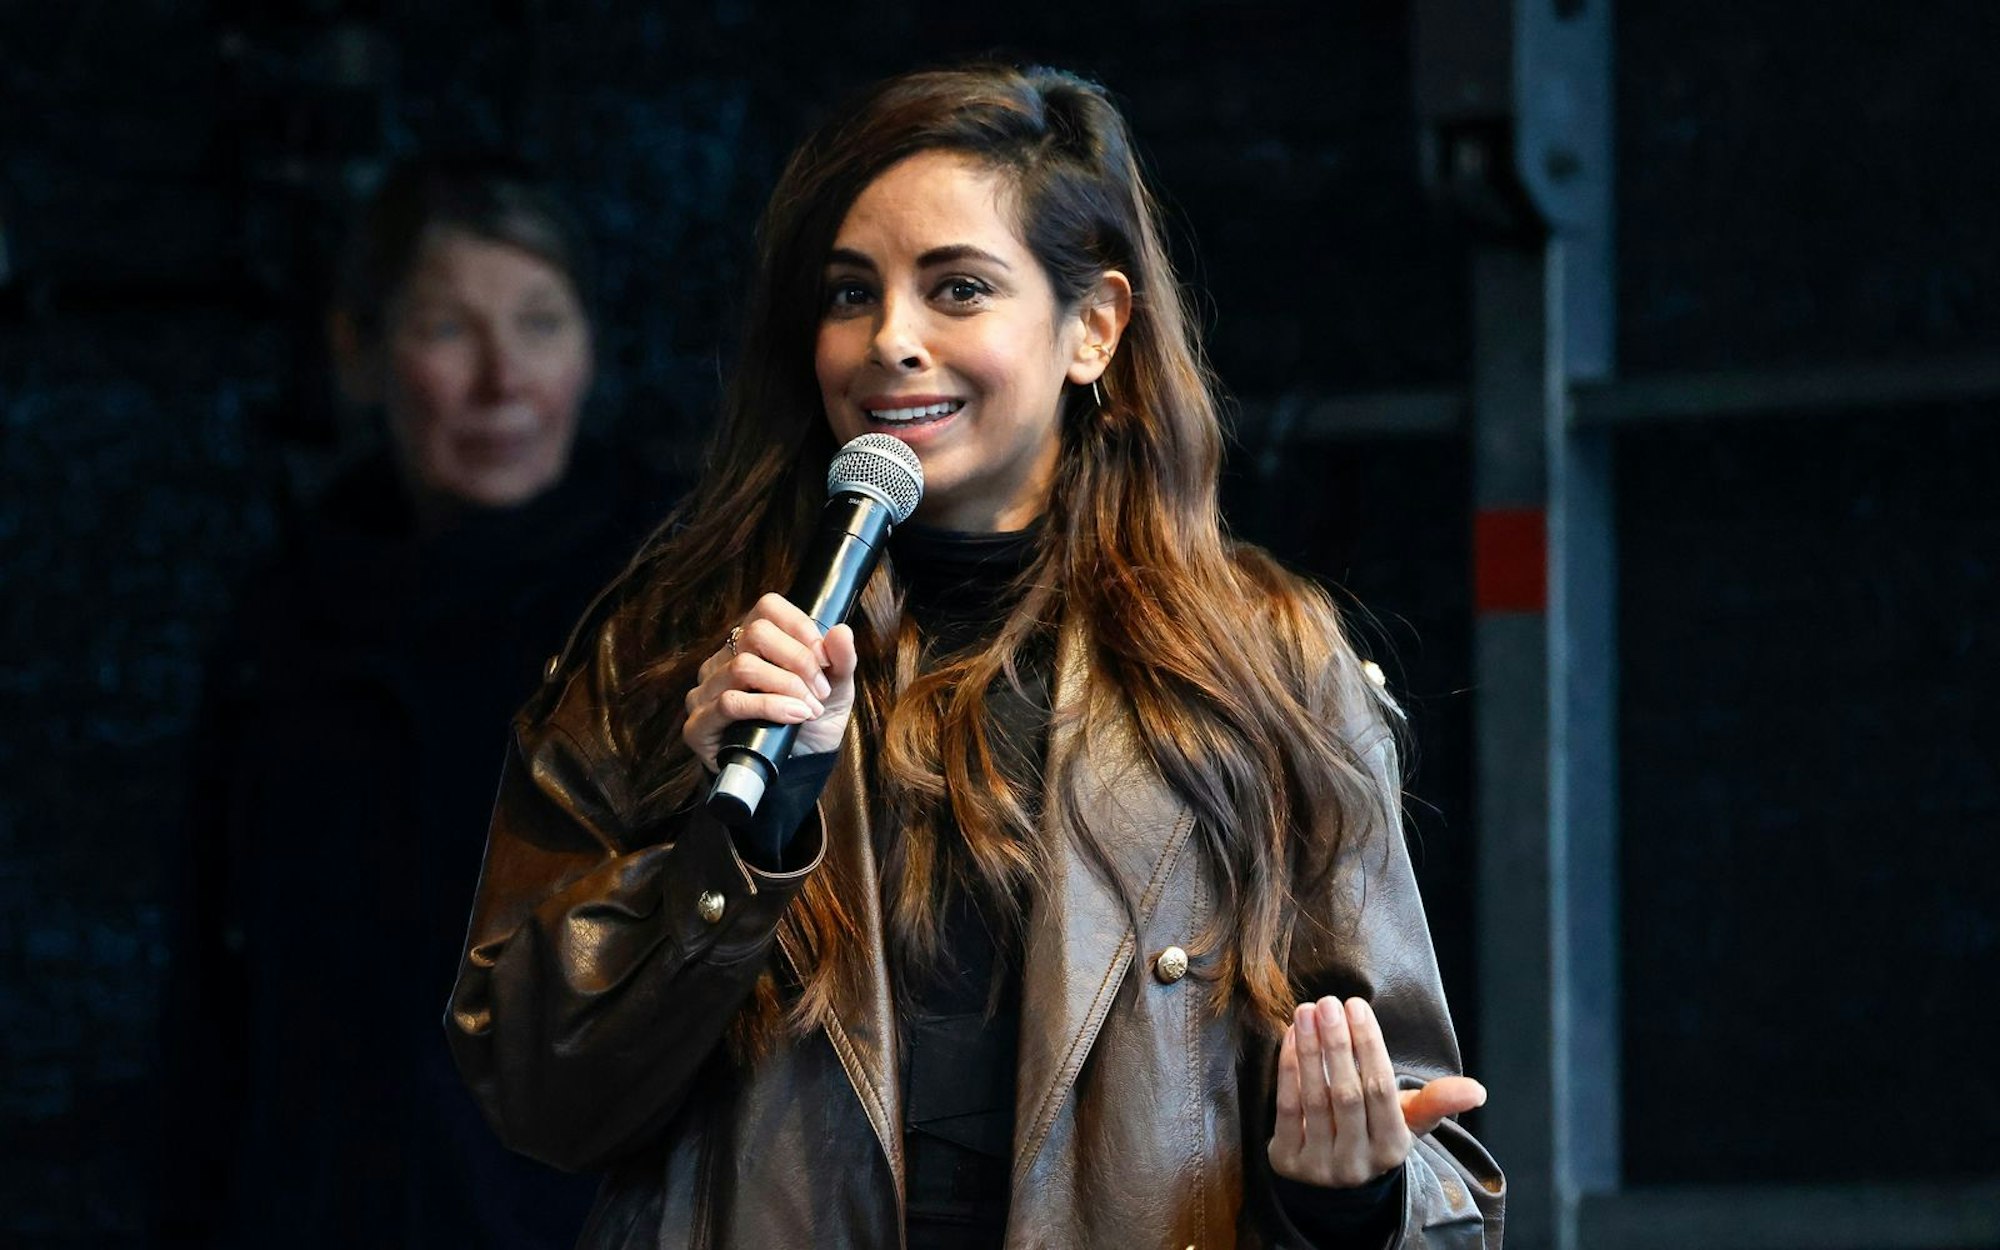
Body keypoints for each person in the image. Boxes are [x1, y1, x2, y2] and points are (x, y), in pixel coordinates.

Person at [447, 65, 1504, 1248]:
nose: (889, 340)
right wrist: (734, 831)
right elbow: (537, 1094)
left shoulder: (1261, 669)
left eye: (955, 288)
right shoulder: (676, 653)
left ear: (1092, 327)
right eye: (850, 295)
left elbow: (1440, 1179)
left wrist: (1351, 1189)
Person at [155, 155, 644, 1248]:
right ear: (358, 353)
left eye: (539, 322)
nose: (501, 380)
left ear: (589, 348)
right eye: (446, 330)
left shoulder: (672, 605)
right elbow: (215, 1007)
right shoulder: (282, 621)